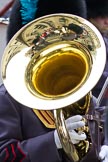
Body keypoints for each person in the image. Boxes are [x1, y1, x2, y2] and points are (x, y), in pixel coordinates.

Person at [0, 0, 108, 162]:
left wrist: (105, 145)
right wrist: (54, 140)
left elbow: (99, 131)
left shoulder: (83, 93)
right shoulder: (8, 98)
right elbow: (5, 154)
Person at [86, 0, 108, 99]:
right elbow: (93, 75)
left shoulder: (104, 38)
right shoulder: (88, 40)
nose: (107, 21)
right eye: (102, 17)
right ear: (91, 16)